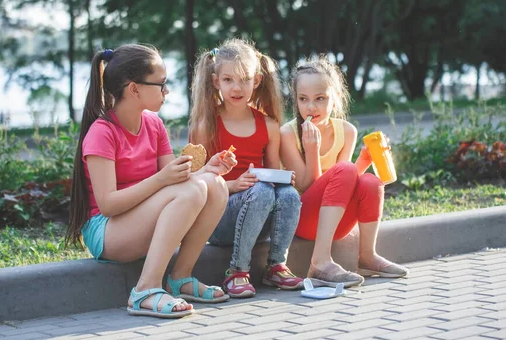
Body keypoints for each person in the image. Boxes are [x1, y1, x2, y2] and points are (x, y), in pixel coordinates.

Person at [66, 44, 237, 319]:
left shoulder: (154, 125)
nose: (166, 91)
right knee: (194, 189)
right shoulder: (102, 132)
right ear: (134, 89)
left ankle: (180, 278)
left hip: (139, 217)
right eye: (161, 84)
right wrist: (162, 180)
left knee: (214, 185)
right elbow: (108, 204)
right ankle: (144, 290)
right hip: (108, 231)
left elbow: (179, 181)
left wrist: (208, 169)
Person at [279, 56, 409, 288]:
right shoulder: (288, 134)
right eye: (303, 99)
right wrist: (312, 150)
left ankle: (367, 256)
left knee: (370, 181)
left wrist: (364, 160)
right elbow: (308, 187)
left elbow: (345, 181)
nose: (311, 107)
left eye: (320, 98)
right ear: (295, 100)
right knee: (348, 169)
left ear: (336, 98)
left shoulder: (347, 131)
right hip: (304, 219)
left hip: (336, 221)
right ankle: (319, 262)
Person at [189, 39, 303, 298]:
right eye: (228, 80)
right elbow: (192, 182)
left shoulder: (269, 126)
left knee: (288, 195)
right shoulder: (206, 125)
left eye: (244, 79)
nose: (237, 87)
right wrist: (230, 185)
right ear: (216, 81)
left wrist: (283, 179)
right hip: (217, 220)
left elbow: (273, 177)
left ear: (257, 80)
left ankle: (276, 266)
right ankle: (237, 272)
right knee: (261, 191)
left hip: (258, 213)